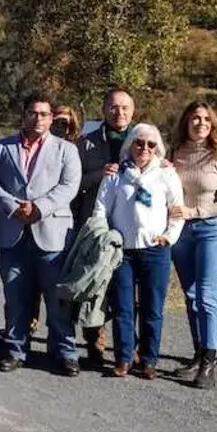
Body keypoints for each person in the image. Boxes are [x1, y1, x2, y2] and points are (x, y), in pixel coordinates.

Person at [0, 94, 83, 375]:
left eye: (43, 114)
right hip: (12, 231)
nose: (38, 118)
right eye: (32, 113)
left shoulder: (66, 150)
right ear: (24, 115)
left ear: (52, 118)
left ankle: (64, 352)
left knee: (57, 299)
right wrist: (12, 206)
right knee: (15, 297)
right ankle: (15, 349)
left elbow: (69, 186)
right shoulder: (2, 147)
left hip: (51, 232)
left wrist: (38, 208)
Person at [93, 124, 185, 379]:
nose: (144, 148)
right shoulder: (115, 174)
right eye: (139, 143)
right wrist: (106, 237)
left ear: (158, 148)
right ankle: (123, 358)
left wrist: (169, 236)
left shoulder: (166, 174)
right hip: (122, 253)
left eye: (151, 144)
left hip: (155, 250)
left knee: (151, 307)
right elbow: (101, 209)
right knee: (123, 307)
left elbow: (177, 211)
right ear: (130, 145)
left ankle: (148, 360)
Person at [170, 100, 217, 389]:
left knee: (207, 296)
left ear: (212, 125)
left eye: (206, 120)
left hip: (210, 230)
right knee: (190, 294)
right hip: (179, 233)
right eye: (195, 118)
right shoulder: (173, 153)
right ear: (186, 121)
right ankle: (199, 354)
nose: (200, 123)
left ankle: (210, 363)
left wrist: (196, 212)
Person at [72, 87, 136, 367]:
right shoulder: (85, 144)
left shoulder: (144, 139)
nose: (118, 112)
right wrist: (99, 174)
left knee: (126, 291)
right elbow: (73, 185)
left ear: (132, 110)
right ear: (103, 110)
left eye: (124, 107)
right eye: (113, 107)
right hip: (96, 225)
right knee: (93, 284)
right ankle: (94, 342)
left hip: (130, 228)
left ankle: (128, 346)